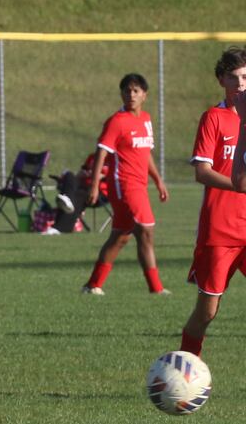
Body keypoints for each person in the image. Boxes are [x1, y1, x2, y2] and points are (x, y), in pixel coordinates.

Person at [179, 47, 246, 357]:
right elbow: (202, 173)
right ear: (221, 80)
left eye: (245, 77)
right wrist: (239, 186)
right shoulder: (214, 118)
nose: (240, 84)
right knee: (207, 311)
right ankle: (185, 372)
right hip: (220, 231)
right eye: (233, 78)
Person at [81, 73, 170, 295]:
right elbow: (101, 152)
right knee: (147, 230)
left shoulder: (146, 119)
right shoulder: (116, 122)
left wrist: (158, 180)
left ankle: (93, 285)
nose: (131, 95)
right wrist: (94, 186)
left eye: (136, 91)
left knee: (120, 236)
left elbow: (145, 152)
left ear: (144, 95)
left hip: (140, 185)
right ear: (121, 94)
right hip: (124, 184)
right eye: (127, 91)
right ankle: (157, 289)